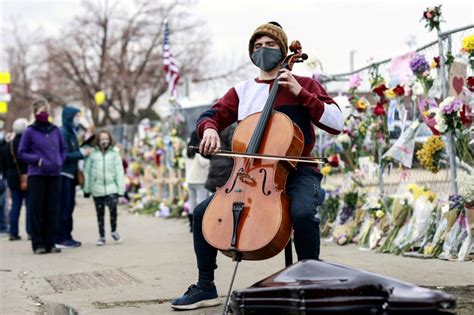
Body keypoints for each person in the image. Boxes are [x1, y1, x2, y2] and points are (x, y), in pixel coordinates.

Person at [171, 22, 343, 310]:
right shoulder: (242, 91)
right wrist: (209, 130)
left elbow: (336, 123)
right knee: (202, 213)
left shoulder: (306, 85)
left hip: (299, 171)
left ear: (284, 51)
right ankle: (205, 286)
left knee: (301, 213)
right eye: (258, 46)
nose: (263, 50)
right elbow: (210, 116)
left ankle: (311, 284)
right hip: (251, 175)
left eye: (270, 45)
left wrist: (302, 93)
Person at [18, 99, 67, 254]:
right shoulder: (29, 131)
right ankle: (38, 244)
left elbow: (63, 148)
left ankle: (51, 242)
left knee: (53, 210)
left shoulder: (55, 130)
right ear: (35, 113)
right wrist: (37, 160)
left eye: (46, 111)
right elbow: (22, 152)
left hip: (54, 175)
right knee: (37, 210)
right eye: (41, 112)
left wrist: (60, 160)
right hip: (37, 175)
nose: (44, 114)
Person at [83, 130, 125, 246]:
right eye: (102, 139)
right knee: (100, 213)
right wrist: (86, 189)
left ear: (110, 140)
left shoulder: (114, 154)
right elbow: (87, 172)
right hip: (97, 188)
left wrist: (121, 189)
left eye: (106, 139)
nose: (104, 141)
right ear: (98, 141)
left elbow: (119, 172)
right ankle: (101, 236)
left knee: (113, 210)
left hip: (112, 188)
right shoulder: (92, 154)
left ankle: (114, 231)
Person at [56, 106, 90, 249]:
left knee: (69, 207)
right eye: (76, 116)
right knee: (64, 207)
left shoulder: (71, 133)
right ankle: (61, 237)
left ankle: (67, 236)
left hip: (70, 175)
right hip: (63, 175)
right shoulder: (63, 133)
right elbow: (63, 156)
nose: (78, 119)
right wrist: (81, 154)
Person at [3, 118, 31, 241]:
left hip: (12, 178)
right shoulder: (27, 144)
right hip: (26, 177)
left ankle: (13, 232)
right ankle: (31, 232)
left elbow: (3, 164)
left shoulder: (8, 145)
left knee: (15, 205)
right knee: (30, 206)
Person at [183, 131, 210, 232]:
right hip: (199, 180)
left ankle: (191, 225)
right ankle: (198, 226)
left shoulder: (185, 151)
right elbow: (204, 163)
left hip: (190, 180)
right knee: (201, 202)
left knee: (192, 202)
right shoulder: (198, 152)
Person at [204, 124, 236, 193]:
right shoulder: (232, 128)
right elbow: (234, 148)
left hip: (214, 172)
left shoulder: (214, 130)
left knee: (213, 201)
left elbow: (206, 153)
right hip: (226, 172)